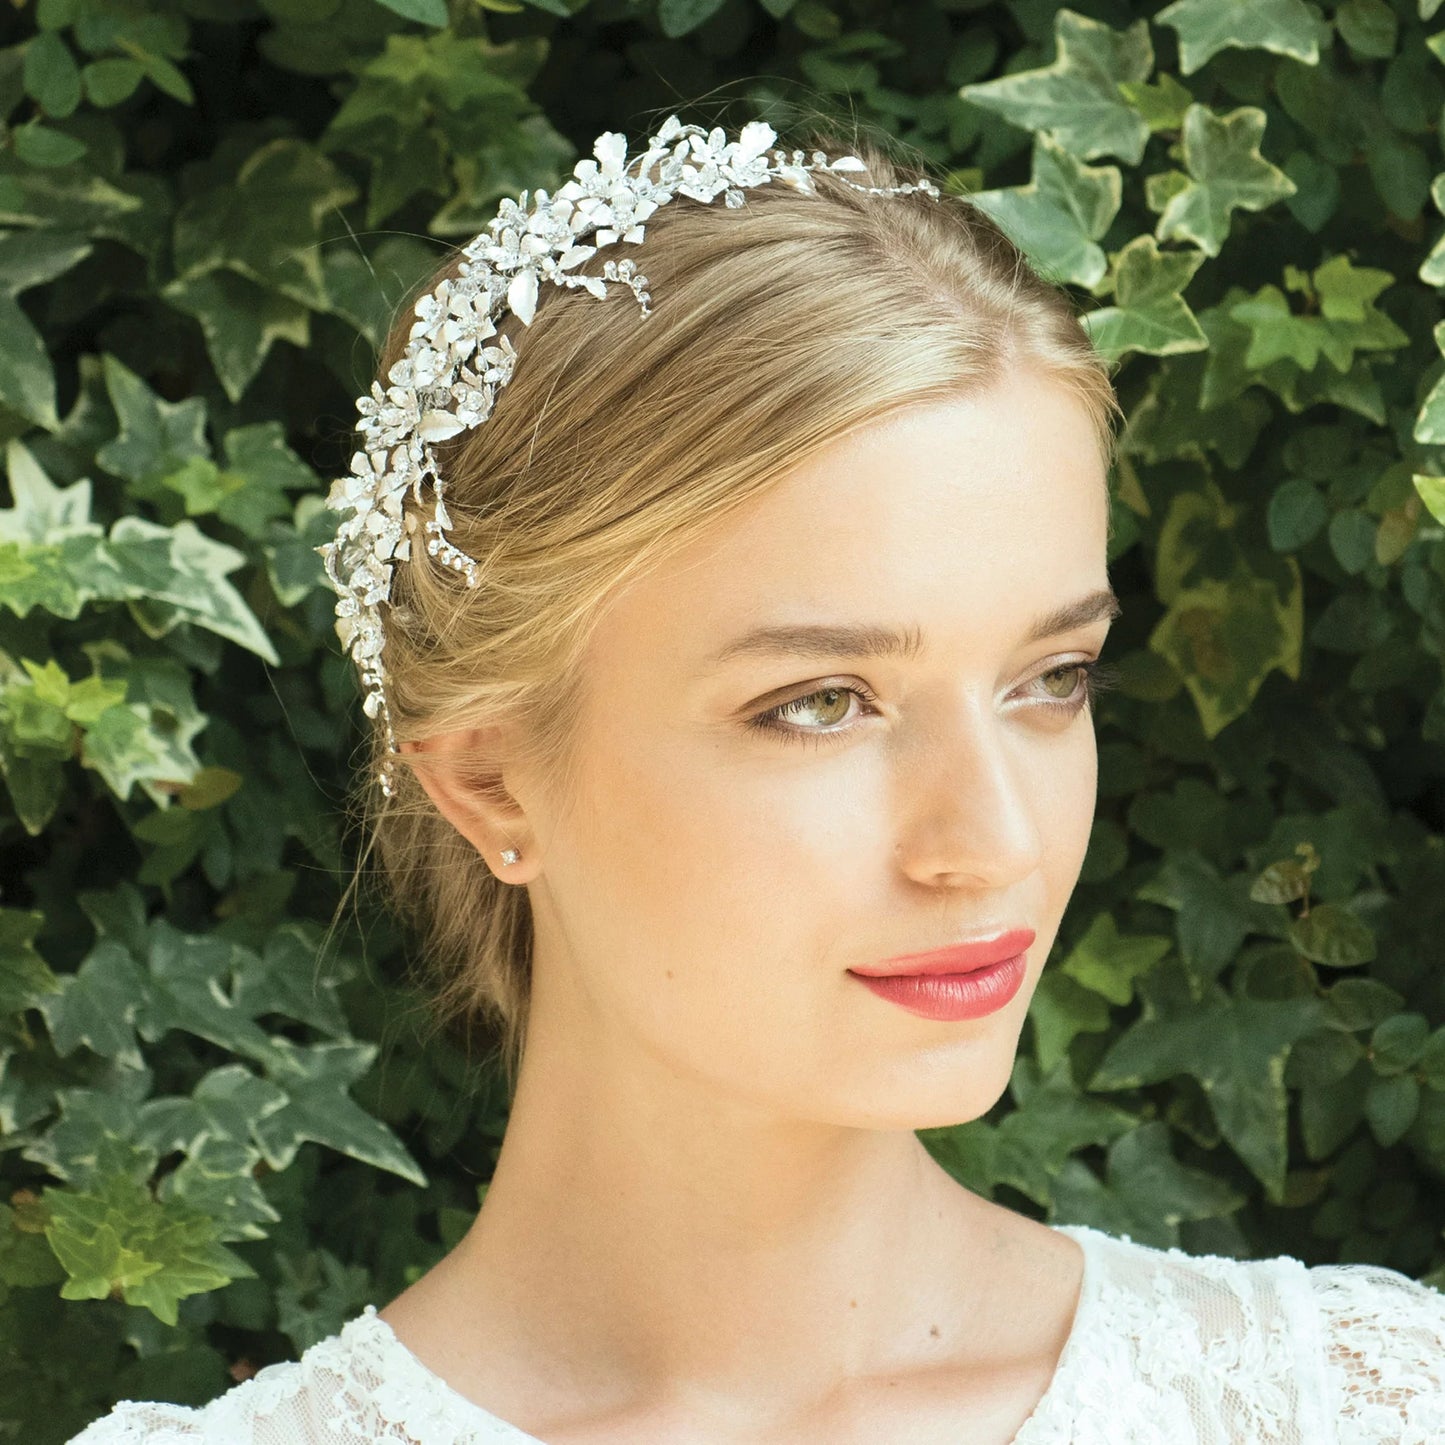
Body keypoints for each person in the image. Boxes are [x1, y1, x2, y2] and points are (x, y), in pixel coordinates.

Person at [69, 111, 1445, 1445]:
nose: (993, 842)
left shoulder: (1358, 1406)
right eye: (822, 704)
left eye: (1050, 679)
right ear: (490, 781)